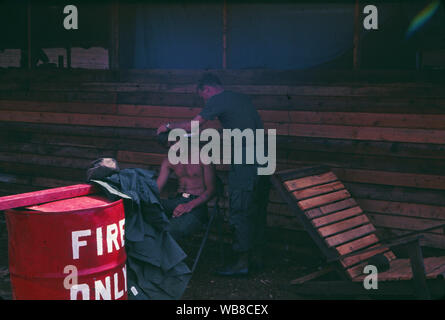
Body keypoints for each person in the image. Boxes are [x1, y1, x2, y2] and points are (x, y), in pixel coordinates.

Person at [157, 73, 270, 276]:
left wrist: (167, 126)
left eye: (203, 97)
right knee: (257, 208)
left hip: (246, 160)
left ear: (207, 89)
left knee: (240, 209)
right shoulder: (241, 99)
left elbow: (195, 125)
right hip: (264, 157)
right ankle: (258, 259)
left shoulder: (218, 98)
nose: (206, 102)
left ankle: (241, 264)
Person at [156, 131, 216, 242]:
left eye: (174, 142)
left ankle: (169, 257)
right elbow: (156, 188)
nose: (172, 147)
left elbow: (211, 190)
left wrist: (189, 205)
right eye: (168, 145)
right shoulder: (169, 160)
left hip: (197, 204)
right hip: (177, 200)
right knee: (144, 210)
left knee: (171, 230)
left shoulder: (202, 156)